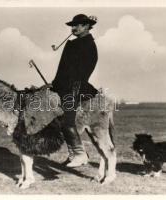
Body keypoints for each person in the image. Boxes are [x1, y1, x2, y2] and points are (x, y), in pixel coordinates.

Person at [51, 14, 99, 167]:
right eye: (73, 25)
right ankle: (73, 154)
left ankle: (80, 154)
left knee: (67, 122)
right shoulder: (74, 44)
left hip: (76, 89)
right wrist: (55, 85)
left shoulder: (88, 45)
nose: (73, 28)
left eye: (77, 25)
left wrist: (70, 89)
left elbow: (81, 72)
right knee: (57, 121)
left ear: (86, 26)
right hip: (64, 87)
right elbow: (63, 70)